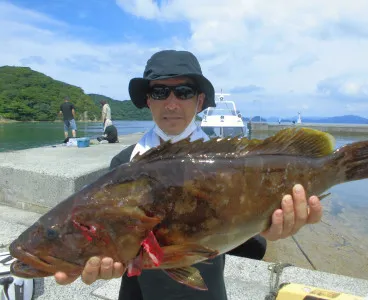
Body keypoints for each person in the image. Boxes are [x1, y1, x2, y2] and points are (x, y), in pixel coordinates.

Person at [54, 50, 323, 300]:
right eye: (160, 92)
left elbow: (247, 245)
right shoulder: (124, 163)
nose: (171, 103)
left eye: (183, 91)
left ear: (200, 100)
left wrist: (271, 228)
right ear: (148, 100)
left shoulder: (229, 165)